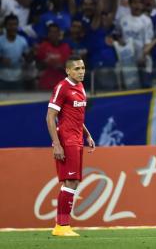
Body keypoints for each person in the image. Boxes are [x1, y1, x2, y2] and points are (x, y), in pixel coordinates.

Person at [46, 55, 95, 237]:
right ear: (68, 70)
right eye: (77, 69)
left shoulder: (80, 87)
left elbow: (76, 116)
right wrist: (57, 145)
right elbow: (50, 117)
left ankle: (62, 225)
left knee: (73, 181)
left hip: (77, 139)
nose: (81, 72)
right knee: (71, 180)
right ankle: (62, 226)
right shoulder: (62, 87)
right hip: (66, 140)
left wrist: (87, 134)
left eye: (82, 68)